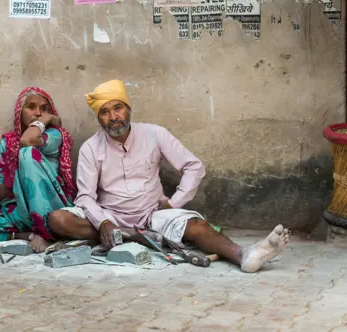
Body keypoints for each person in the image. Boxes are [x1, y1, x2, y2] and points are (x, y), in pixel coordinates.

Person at [48, 80, 290, 273]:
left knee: (195, 225)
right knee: (58, 219)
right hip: (110, 216)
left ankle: (244, 255)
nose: (113, 117)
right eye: (105, 112)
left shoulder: (154, 134)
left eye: (117, 108)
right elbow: (86, 197)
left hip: (153, 216)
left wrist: (174, 203)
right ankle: (132, 236)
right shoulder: (92, 147)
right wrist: (104, 223)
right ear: (99, 118)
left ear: (128, 108)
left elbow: (194, 166)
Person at [0, 87, 76, 252]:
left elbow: (28, 140)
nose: (38, 113)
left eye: (44, 110)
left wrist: (42, 123)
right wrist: (18, 180)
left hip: (51, 209)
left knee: (27, 154)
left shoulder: (55, 135)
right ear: (21, 112)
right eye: (31, 107)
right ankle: (24, 235)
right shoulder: (8, 142)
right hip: (18, 210)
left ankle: (45, 232)